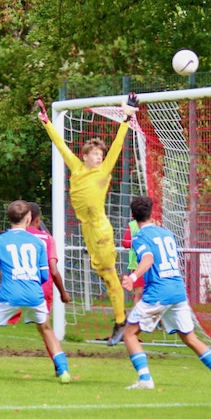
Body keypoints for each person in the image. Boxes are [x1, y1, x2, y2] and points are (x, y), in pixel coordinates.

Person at [39, 93, 139, 345]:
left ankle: (121, 320)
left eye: (100, 154)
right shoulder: (76, 167)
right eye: (95, 154)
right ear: (85, 156)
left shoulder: (104, 169)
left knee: (109, 272)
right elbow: (61, 146)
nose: (99, 157)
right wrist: (47, 123)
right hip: (88, 230)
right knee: (105, 275)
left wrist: (126, 118)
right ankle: (119, 320)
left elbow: (117, 144)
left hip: (100, 228)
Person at [119, 196, 211, 390]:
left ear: (133, 216)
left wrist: (133, 276)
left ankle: (145, 380)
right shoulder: (167, 234)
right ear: (152, 213)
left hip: (159, 292)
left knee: (129, 334)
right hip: (178, 290)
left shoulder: (139, 237)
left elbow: (148, 258)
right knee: (189, 337)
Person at [0, 200, 70, 386]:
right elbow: (44, 274)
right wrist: (33, 284)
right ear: (28, 218)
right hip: (35, 294)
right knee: (46, 330)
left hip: (9, 294)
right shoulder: (38, 243)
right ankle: (64, 371)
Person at [121, 217, 144, 305]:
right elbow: (126, 243)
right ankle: (138, 317)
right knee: (140, 292)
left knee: (139, 293)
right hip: (139, 264)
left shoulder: (132, 224)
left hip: (141, 264)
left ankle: (147, 316)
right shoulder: (133, 225)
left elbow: (126, 243)